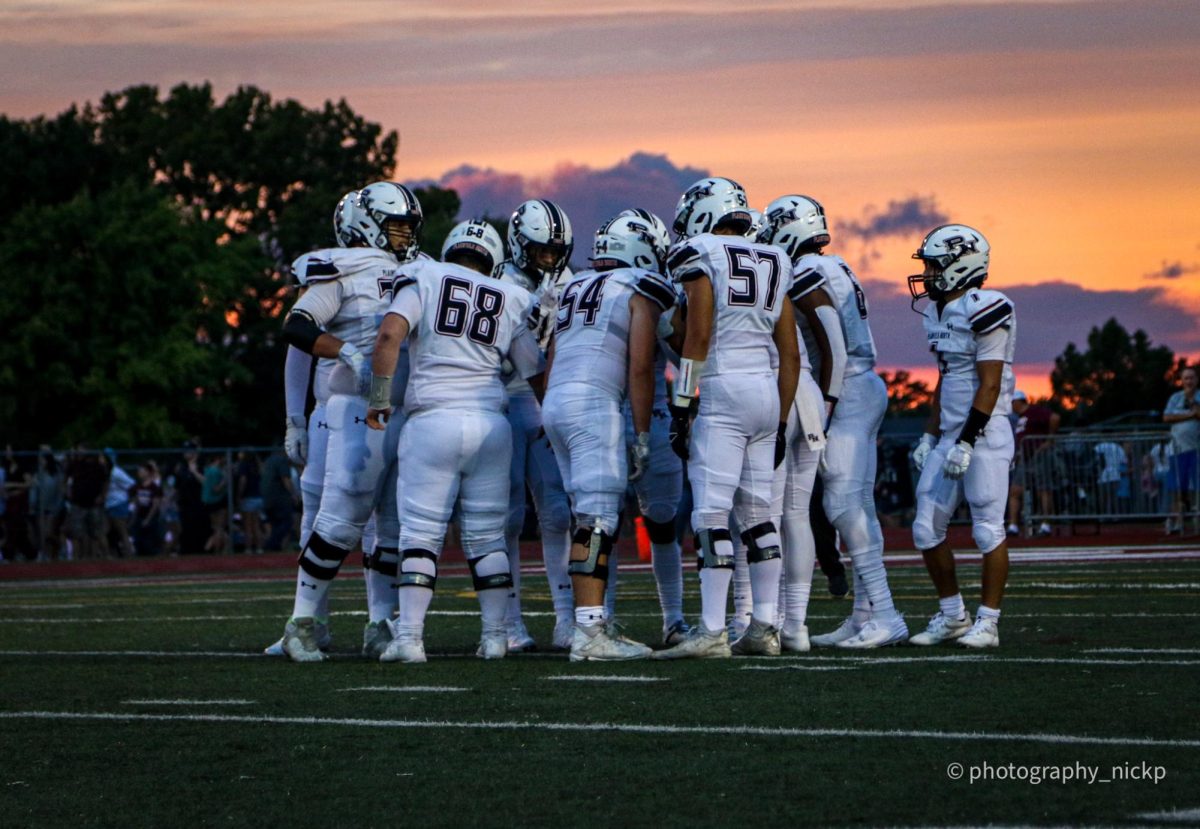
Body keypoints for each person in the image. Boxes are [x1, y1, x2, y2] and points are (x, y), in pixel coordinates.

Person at [366, 219, 545, 663]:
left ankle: (409, 638)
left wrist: (379, 399)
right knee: (488, 539)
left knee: (421, 535)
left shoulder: (425, 276)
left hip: (434, 419)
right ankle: (495, 637)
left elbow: (390, 333)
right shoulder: (512, 295)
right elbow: (534, 368)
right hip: (491, 423)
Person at [277, 181, 423, 662]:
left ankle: (379, 622)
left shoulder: (417, 272)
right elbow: (297, 329)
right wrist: (298, 413)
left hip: (400, 410)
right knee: (333, 516)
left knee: (392, 528)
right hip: (351, 411)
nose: (404, 235)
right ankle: (306, 621)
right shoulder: (340, 270)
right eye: (395, 225)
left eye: (408, 226)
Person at [655, 176, 800, 660]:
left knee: (712, 513)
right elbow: (791, 353)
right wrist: (779, 421)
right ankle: (764, 626)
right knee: (759, 515)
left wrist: (682, 403)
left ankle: (713, 630)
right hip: (767, 392)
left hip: (722, 388)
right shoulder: (776, 258)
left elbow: (697, 337)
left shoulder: (702, 252)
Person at [760, 194, 906, 650]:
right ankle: (865, 614)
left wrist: (825, 401)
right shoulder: (835, 265)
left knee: (842, 504)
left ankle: (885, 613)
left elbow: (835, 348)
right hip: (861, 385)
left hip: (847, 388)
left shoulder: (806, 271)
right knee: (857, 504)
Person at [543, 211, 675, 660]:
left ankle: (594, 622)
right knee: (596, 518)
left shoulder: (575, 285)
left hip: (557, 401)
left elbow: (554, 353)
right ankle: (590, 632)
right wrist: (641, 433)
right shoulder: (641, 285)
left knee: (586, 515)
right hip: (593, 402)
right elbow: (640, 366)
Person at [907, 224, 1015, 648]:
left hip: (986, 432)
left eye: (934, 266)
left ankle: (987, 623)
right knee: (924, 528)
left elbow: (989, 383)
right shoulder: (937, 312)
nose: (928, 275)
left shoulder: (987, 306)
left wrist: (968, 440)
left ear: (961, 265)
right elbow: (945, 376)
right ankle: (953, 615)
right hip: (953, 432)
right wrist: (931, 435)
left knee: (988, 529)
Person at [496, 198, 576, 650]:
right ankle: (509, 623)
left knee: (558, 514)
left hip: (549, 400)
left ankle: (565, 618)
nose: (549, 259)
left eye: (554, 251)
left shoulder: (569, 282)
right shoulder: (499, 282)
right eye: (542, 250)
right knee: (507, 518)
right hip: (508, 401)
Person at [1006, 389, 1060, 536]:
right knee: (1015, 491)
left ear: (1018, 401)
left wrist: (1049, 439)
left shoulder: (1034, 411)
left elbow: (1055, 417)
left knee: (1044, 490)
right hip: (1026, 456)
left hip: (1039, 455)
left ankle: (1045, 524)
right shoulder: (1020, 417)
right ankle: (1013, 525)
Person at [1163, 365, 1199, 534]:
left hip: (1196, 450)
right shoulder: (1175, 398)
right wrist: (1190, 415)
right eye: (1186, 378)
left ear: (1196, 380)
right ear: (1182, 381)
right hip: (1178, 450)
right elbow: (1167, 417)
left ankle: (1195, 519)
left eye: (1192, 378)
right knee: (1178, 488)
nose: (1189, 381)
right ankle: (1175, 520)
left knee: (1196, 489)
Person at [65, 445, 108, 560]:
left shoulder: (97, 466)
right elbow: (65, 479)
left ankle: (101, 556)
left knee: (96, 533)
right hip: (78, 503)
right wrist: (66, 492)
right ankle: (78, 557)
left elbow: (105, 481)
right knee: (77, 533)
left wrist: (102, 495)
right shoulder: (74, 465)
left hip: (93, 503)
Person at [261, 446, 298, 552]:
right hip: (279, 498)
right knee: (287, 522)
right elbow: (285, 479)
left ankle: (273, 546)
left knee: (276, 524)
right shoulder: (282, 461)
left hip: (267, 498)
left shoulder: (268, 460)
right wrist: (293, 494)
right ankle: (270, 544)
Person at [129, 461, 164, 557]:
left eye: (142, 471)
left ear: (148, 472)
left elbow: (155, 505)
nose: (139, 473)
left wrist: (148, 519)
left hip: (150, 517)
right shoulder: (137, 487)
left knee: (150, 541)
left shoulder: (154, 488)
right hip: (140, 516)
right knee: (138, 541)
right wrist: (134, 518)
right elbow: (136, 503)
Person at [234, 450, 264, 554]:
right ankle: (259, 548)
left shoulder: (244, 465)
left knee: (247, 525)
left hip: (248, 497)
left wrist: (239, 495)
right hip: (258, 497)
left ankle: (248, 548)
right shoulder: (257, 466)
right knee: (256, 525)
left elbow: (243, 480)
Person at [201, 454, 229, 553]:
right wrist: (225, 480)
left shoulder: (207, 470)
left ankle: (216, 548)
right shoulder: (216, 471)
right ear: (218, 459)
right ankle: (217, 550)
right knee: (219, 528)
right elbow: (216, 489)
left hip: (208, 501)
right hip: (217, 501)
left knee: (216, 527)